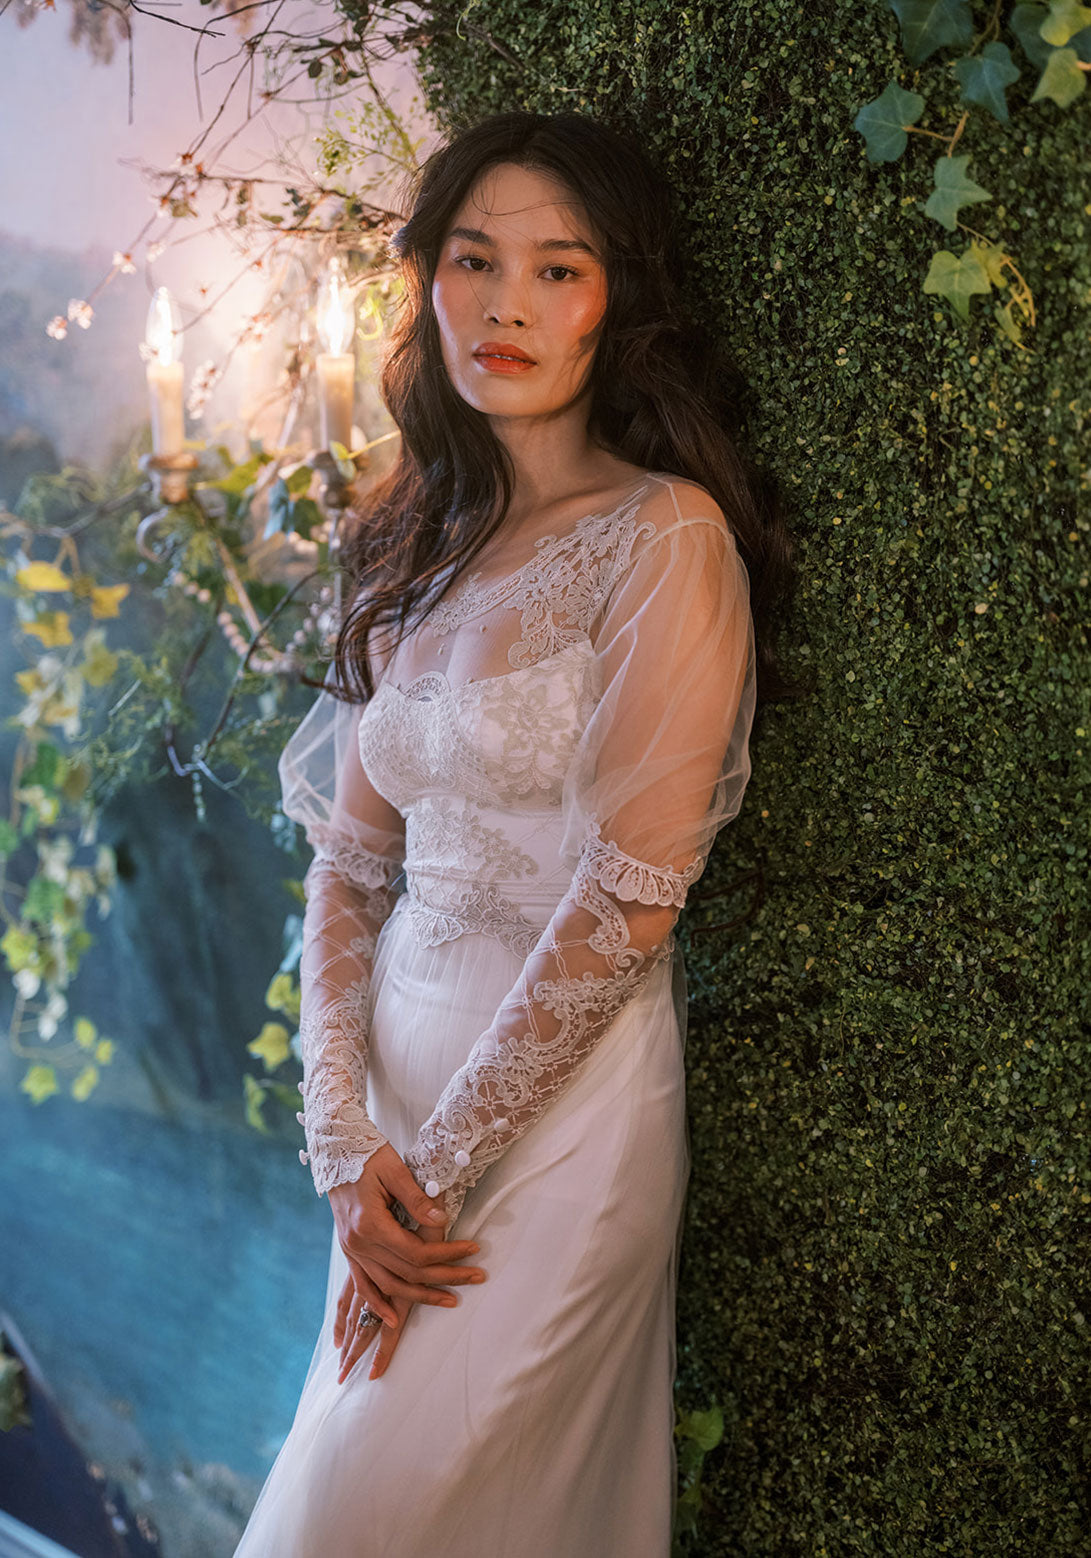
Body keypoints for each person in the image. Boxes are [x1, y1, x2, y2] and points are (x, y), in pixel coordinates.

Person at [235, 109, 797, 1558]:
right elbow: (350, 864)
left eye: (560, 270)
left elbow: (628, 902)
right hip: (399, 1138)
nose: (505, 304)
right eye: (475, 259)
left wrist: (441, 1179)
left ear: (623, 300)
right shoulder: (416, 543)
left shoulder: (666, 537)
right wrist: (347, 1147)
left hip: (561, 1122)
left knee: (365, 1515)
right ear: (426, 280)